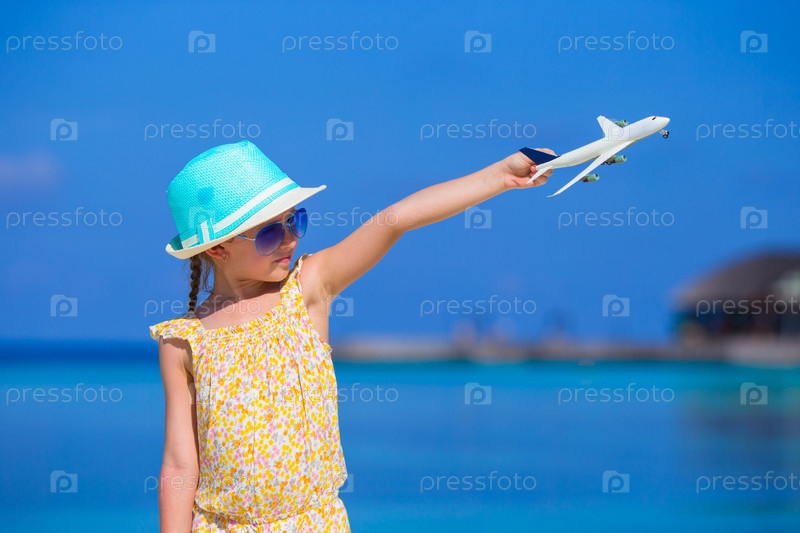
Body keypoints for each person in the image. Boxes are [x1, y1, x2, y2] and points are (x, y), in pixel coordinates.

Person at [149, 139, 552, 531]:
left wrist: (501, 175)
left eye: (294, 221)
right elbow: (180, 466)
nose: (290, 239)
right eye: (270, 233)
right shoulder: (184, 341)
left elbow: (396, 219)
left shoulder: (307, 289)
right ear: (217, 249)